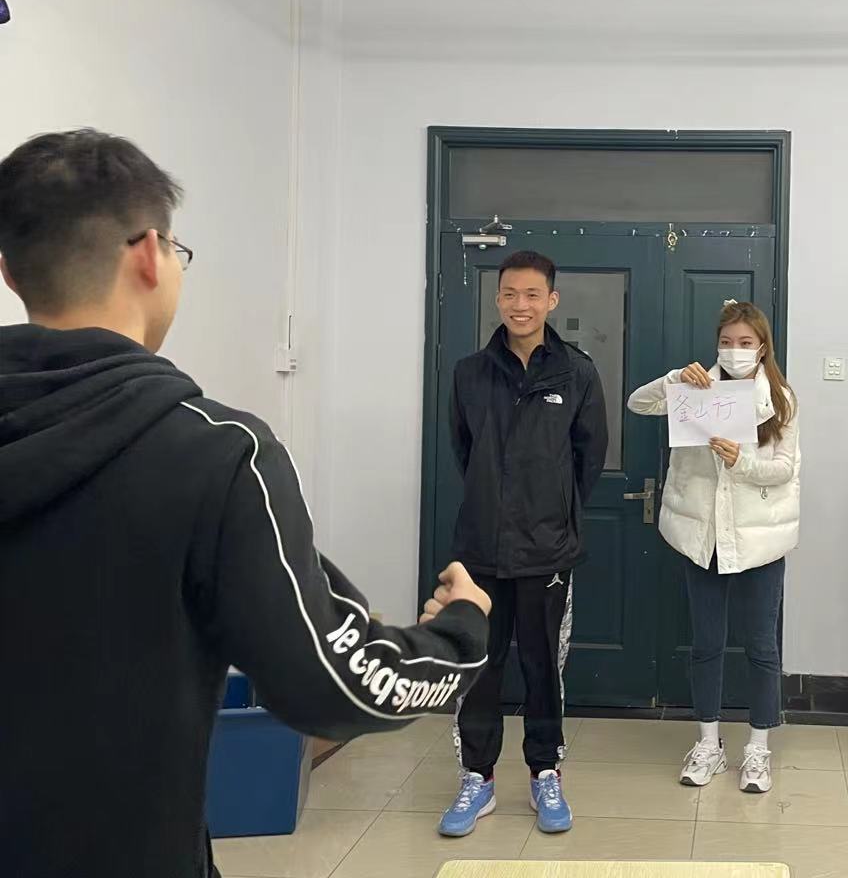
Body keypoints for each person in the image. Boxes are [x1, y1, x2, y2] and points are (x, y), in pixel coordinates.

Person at [0, 130, 493, 878]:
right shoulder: (214, 452)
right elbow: (332, 682)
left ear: (10, 272)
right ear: (149, 255)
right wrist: (462, 633)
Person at [443, 249, 608, 837]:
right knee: (479, 667)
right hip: (481, 551)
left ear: (551, 301)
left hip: (547, 551)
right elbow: (465, 451)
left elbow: (589, 458)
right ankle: (477, 777)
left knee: (543, 667)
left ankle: (545, 772)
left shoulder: (577, 373)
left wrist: (551, 510)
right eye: (510, 294)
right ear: (498, 299)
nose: (521, 305)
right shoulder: (469, 372)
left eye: (533, 295)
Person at [627, 300, 800, 795]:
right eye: (727, 342)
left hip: (758, 540)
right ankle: (708, 743)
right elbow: (637, 404)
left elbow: (784, 469)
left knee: (761, 646)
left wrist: (741, 462)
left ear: (762, 347)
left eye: (745, 343)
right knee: (706, 644)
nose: (735, 350)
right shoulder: (696, 388)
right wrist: (672, 380)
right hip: (703, 538)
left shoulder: (781, 398)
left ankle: (758, 748)